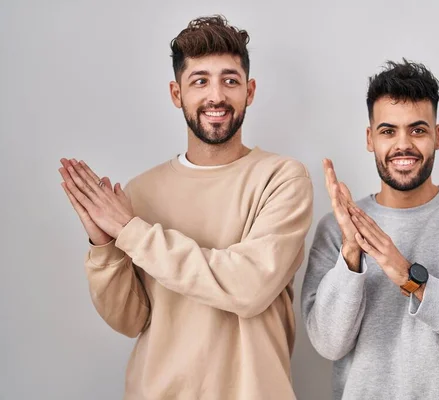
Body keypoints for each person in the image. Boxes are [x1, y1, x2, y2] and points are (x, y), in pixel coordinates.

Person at [58, 15, 313, 400]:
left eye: (230, 80)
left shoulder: (282, 179)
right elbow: (131, 320)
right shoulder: (140, 193)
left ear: (250, 91)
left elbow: (249, 288)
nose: (216, 96)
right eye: (200, 81)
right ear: (177, 94)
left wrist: (132, 232)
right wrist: (104, 244)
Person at [301, 59, 439, 399]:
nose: (403, 144)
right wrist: (350, 255)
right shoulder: (338, 229)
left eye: (417, 130)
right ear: (370, 139)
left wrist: (409, 276)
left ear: (437, 136)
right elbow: (328, 344)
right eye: (388, 131)